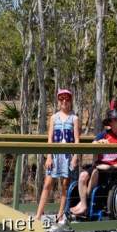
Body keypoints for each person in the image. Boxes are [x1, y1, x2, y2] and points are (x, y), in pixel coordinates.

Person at [68, 109, 117, 217]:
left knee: (95, 172)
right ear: (110, 123)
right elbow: (92, 145)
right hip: (98, 166)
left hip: (113, 170)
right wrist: (98, 143)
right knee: (83, 175)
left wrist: (111, 166)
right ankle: (84, 204)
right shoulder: (104, 135)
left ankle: (85, 204)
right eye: (115, 119)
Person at [35, 89, 79, 223]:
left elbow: (77, 139)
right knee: (47, 184)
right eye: (61, 99)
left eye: (67, 99)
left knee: (65, 185)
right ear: (58, 101)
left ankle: (60, 215)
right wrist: (49, 156)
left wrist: (75, 156)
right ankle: (38, 215)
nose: (64, 101)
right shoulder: (54, 118)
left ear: (70, 101)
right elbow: (50, 138)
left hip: (68, 156)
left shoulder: (74, 118)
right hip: (55, 154)